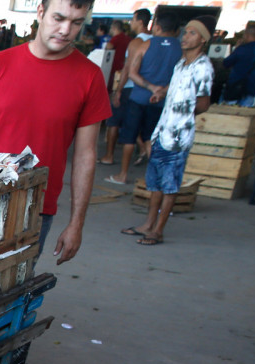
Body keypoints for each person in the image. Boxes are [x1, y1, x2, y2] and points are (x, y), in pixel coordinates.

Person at [0, 0, 111, 265]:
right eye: (58, 18)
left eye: (76, 23)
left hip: (36, 208)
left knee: (13, 292)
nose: (65, 30)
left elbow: (85, 155)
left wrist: (76, 223)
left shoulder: (90, 77)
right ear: (40, 12)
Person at [123, 18, 213, 246]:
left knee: (170, 185)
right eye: (185, 32)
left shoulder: (203, 67)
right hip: (162, 132)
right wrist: (161, 94)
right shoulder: (181, 63)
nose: (185, 37)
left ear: (202, 39)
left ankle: (158, 230)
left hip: (178, 137)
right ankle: (147, 224)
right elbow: (174, 89)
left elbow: (203, 104)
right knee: (154, 183)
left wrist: (181, 116)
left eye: (192, 33)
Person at [107, 10, 181, 185]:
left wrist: (150, 87)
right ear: (176, 30)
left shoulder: (145, 45)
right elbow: (180, 76)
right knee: (150, 138)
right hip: (160, 101)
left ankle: (123, 175)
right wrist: (161, 91)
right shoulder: (180, 49)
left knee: (129, 138)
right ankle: (154, 178)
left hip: (139, 98)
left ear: (157, 26)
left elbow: (132, 72)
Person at [98, 19, 132, 165]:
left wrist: (117, 90)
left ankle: (109, 155)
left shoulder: (116, 39)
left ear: (114, 27)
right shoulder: (130, 40)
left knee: (114, 120)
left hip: (116, 79)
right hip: (121, 79)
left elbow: (107, 50)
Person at [221, 23, 255, 106]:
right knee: (244, 116)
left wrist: (236, 49)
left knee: (227, 113)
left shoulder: (242, 48)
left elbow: (226, 63)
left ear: (246, 35)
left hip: (234, 87)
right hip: (252, 89)